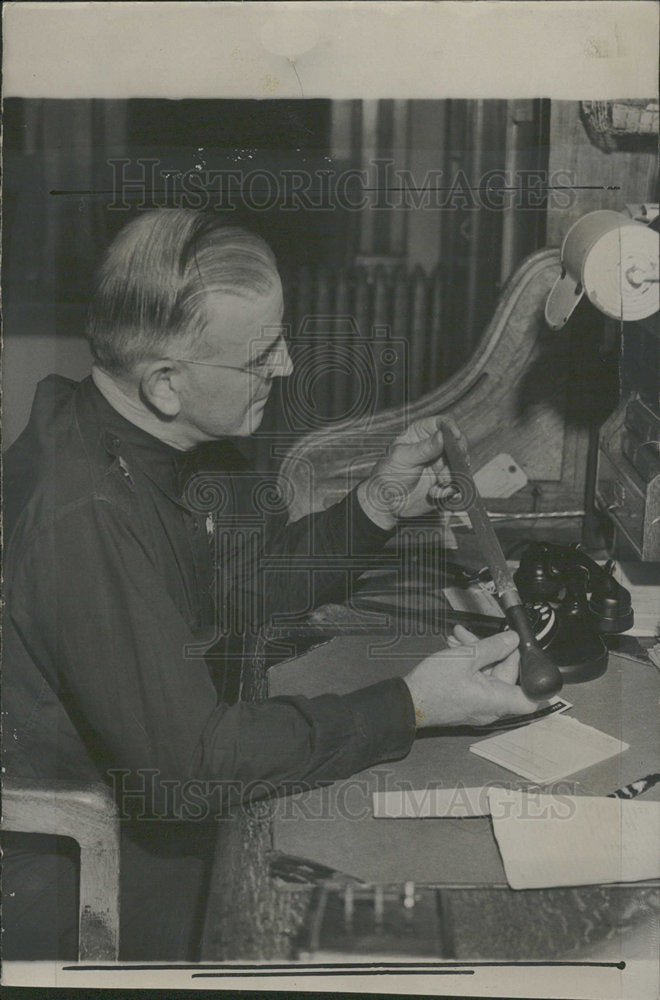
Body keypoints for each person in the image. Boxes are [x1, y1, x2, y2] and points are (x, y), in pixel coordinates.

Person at [2, 209, 540, 961]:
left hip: (146, 809)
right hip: (84, 875)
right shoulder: (86, 515)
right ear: (164, 384)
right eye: (260, 358)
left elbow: (230, 592)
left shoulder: (130, 442)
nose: (286, 367)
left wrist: (377, 505)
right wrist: (412, 706)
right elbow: (190, 770)